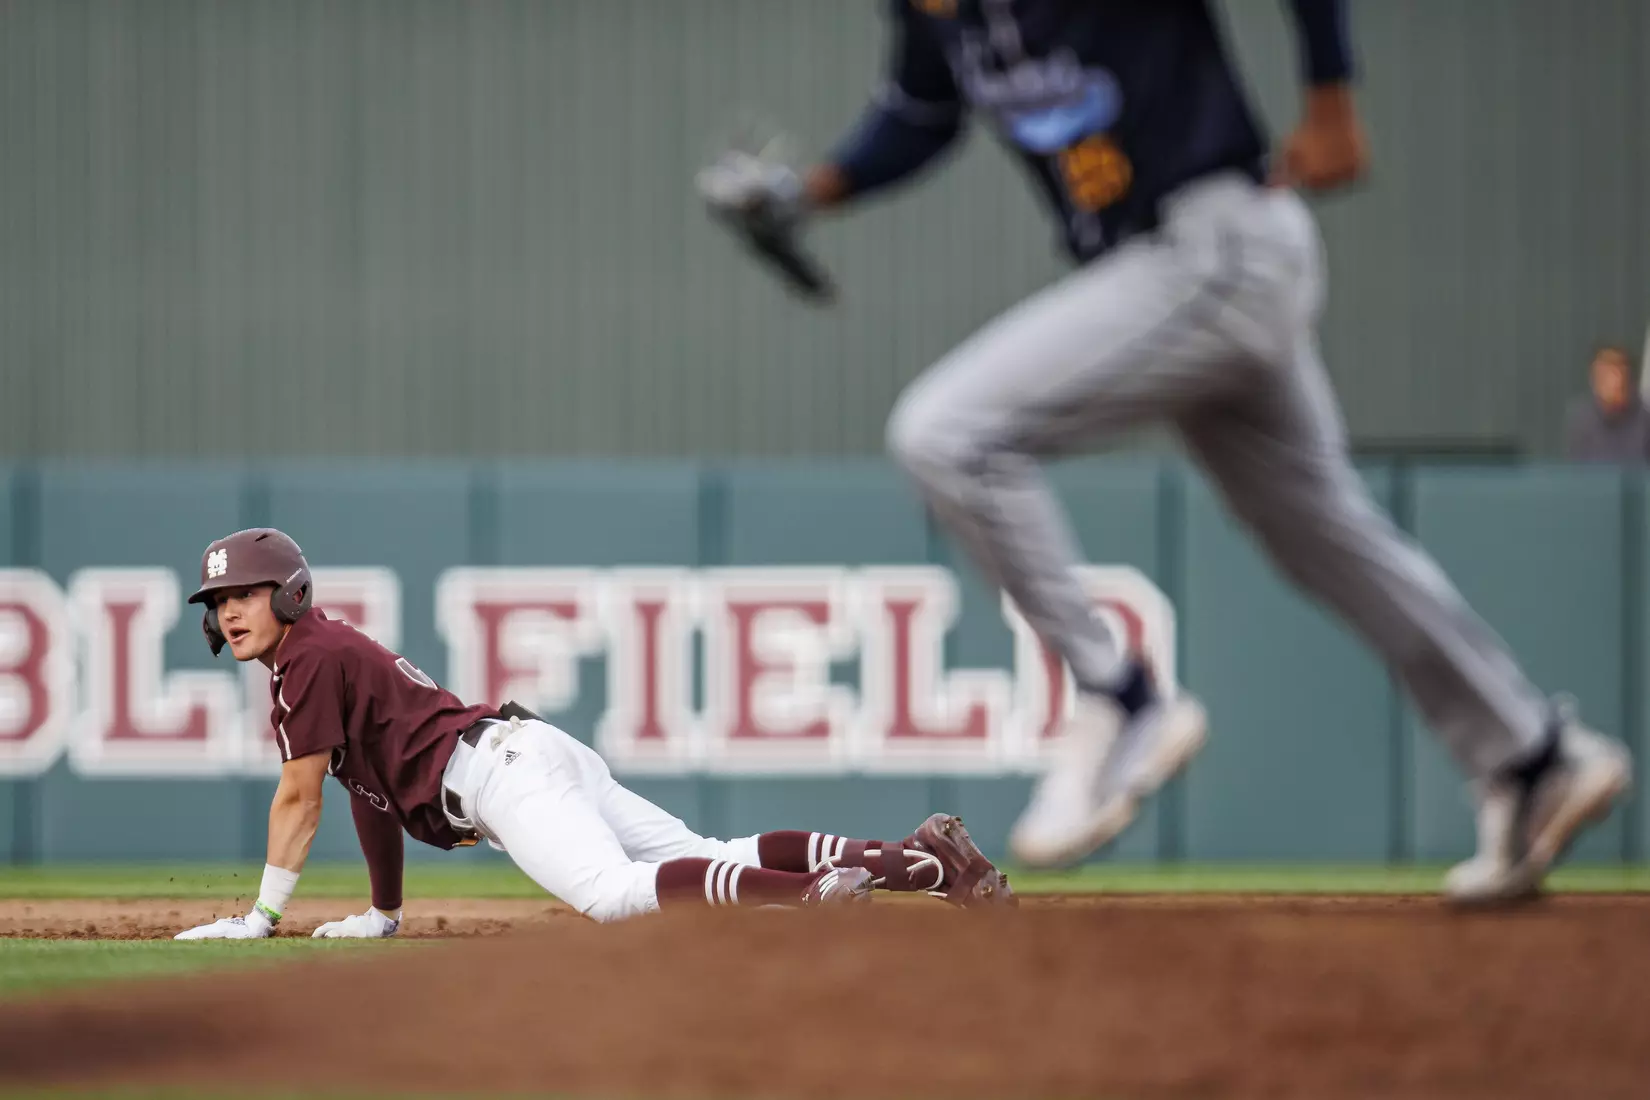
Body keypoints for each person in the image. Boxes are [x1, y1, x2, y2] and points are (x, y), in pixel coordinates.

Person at [697, 0, 1631, 904]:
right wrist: (809, 192)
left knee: (948, 432)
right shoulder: (943, 13)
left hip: (1211, 242)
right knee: (1327, 538)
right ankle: (1531, 756)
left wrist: (1331, 102)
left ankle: (1124, 694)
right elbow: (921, 115)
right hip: (1171, 274)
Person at [173, 528, 1012, 940]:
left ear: (288, 595)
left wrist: (261, 917)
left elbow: (300, 794)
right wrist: (384, 912)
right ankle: (920, 862)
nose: (230, 613)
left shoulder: (306, 660)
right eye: (219, 603)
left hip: (502, 776)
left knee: (614, 895)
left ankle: (811, 895)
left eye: (244, 594)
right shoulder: (321, 653)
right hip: (522, 752)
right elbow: (375, 796)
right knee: (701, 848)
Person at [1564, 345, 1649, 464]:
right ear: (1594, 380)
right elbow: (1575, 473)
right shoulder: (1581, 421)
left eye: (1619, 373)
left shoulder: (1644, 421)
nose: (1615, 382)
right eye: (1606, 376)